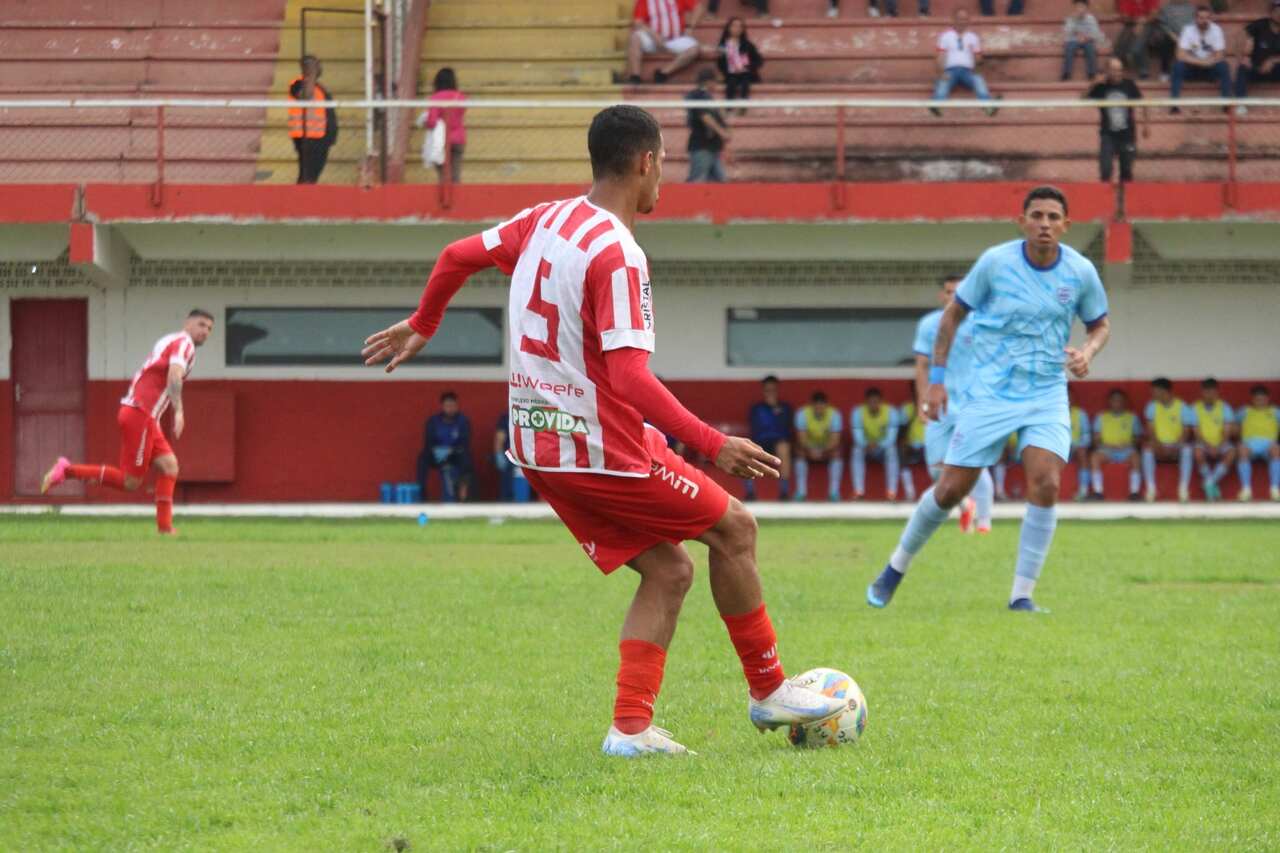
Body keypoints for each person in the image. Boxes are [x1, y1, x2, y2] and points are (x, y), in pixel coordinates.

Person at [361, 104, 846, 756]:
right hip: (597, 448)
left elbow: (455, 254)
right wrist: (713, 441)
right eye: (664, 163)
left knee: (669, 569)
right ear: (645, 162)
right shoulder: (620, 254)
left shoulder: (545, 218)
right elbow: (629, 379)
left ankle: (630, 728)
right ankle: (768, 691)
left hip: (537, 444)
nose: (663, 179)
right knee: (736, 527)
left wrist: (423, 323)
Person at [867, 186, 1111, 613]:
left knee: (1047, 482)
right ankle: (894, 569)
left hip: (1047, 392)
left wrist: (1087, 353)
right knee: (949, 489)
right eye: (1037, 215)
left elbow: (1100, 324)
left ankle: (1022, 596)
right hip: (991, 394)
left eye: (1054, 217)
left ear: (1066, 226)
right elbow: (952, 315)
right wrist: (938, 381)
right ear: (1022, 222)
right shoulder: (996, 263)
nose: (1045, 224)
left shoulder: (1080, 271)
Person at [40, 310, 215, 535]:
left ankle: (165, 528)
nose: (205, 332)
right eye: (201, 325)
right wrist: (179, 410)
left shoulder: (170, 339)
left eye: (209, 329)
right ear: (187, 323)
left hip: (144, 415)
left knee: (170, 466)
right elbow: (174, 375)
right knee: (130, 482)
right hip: (141, 413)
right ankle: (68, 470)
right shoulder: (185, 343)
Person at [906, 274, 995, 539]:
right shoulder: (929, 325)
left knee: (976, 462)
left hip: (973, 406)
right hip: (938, 405)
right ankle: (965, 505)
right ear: (941, 296)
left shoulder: (981, 324)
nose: (953, 297)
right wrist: (922, 401)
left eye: (959, 292)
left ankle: (984, 523)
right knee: (937, 466)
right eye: (949, 292)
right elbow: (921, 366)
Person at [930, 9, 999, 118]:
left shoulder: (973, 37)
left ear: (968, 21)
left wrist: (978, 65)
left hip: (967, 71)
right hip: (950, 70)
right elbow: (940, 57)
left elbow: (978, 58)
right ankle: (937, 105)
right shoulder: (946, 36)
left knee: (978, 79)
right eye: (960, 19)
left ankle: (988, 106)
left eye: (965, 19)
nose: (962, 21)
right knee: (943, 81)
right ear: (954, 20)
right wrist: (941, 72)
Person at [1086, 58, 1145, 184]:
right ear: (1107, 71)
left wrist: (1146, 125)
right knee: (1105, 170)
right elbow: (1081, 99)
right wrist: (1093, 83)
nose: (1118, 73)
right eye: (1114, 70)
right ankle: (1105, 199)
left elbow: (1144, 103)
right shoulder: (1101, 87)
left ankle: (1125, 201)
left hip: (1127, 135)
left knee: (1126, 171)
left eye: (1120, 70)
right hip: (1108, 135)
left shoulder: (1129, 85)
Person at [627, 0, 705, 84]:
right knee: (635, 37)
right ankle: (635, 76)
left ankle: (663, 73)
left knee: (695, 49)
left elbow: (699, 8)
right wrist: (654, 35)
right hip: (652, 40)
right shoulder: (645, 1)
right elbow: (638, 22)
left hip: (675, 40)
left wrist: (690, 27)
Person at [1169, 5, 1231, 111]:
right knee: (1177, 66)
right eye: (1201, 18)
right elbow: (1180, 55)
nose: (1204, 20)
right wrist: (1201, 62)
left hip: (1210, 70)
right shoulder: (1188, 30)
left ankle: (1226, 104)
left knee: (1223, 66)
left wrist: (1209, 62)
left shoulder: (1216, 30)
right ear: (1195, 19)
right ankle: (1174, 105)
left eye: (1207, 18)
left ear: (1210, 18)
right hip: (1192, 69)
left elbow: (1220, 55)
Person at [1142, 377, 1194, 501]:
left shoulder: (1183, 407)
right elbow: (1150, 431)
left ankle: (1183, 489)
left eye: (1154, 391)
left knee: (1187, 450)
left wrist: (1176, 447)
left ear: (1163, 391)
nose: (1152, 394)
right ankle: (1151, 489)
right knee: (1147, 449)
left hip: (1177, 445)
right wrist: (1158, 445)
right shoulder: (1151, 407)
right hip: (1158, 445)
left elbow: (1186, 433)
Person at [287, 55, 338, 184]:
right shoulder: (298, 84)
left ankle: (302, 199)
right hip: (309, 138)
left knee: (311, 176)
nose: (320, 68)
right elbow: (306, 96)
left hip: (321, 139)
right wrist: (311, 73)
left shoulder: (318, 87)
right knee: (308, 177)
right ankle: (300, 201)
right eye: (317, 65)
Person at [418, 391, 473, 502]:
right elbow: (428, 442)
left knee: (466, 458)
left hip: (455, 455)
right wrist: (436, 450)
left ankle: (463, 496)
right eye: (448, 406)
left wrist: (451, 451)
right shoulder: (433, 421)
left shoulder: (463, 421)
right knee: (422, 459)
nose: (450, 409)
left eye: (453, 406)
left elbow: (465, 442)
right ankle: (422, 495)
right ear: (442, 406)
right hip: (437, 455)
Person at [1089, 388, 1143, 501]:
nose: (1117, 403)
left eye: (1120, 400)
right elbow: (1095, 439)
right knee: (1094, 457)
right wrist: (1106, 445)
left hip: (1126, 450)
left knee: (1136, 457)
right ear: (1110, 402)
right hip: (1106, 450)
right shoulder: (1101, 417)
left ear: (1124, 402)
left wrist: (1128, 444)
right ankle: (1098, 492)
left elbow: (1138, 438)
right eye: (1114, 400)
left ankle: (1134, 492)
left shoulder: (1132, 417)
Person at [745, 375, 793, 501]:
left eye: (773, 390)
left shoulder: (785, 408)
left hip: (779, 443)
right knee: (747, 449)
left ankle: (784, 492)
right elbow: (757, 429)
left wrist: (775, 410)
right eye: (768, 390)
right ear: (763, 391)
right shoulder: (757, 409)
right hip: (760, 443)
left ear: (777, 391)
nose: (770, 393)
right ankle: (750, 492)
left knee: (784, 447)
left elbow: (786, 430)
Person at [1190, 377, 1236, 502]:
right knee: (1198, 453)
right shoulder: (1195, 408)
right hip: (1203, 442)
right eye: (1206, 391)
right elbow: (1196, 432)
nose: (1209, 395)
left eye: (1212, 392)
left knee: (1231, 453)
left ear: (1217, 392)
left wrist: (1219, 446)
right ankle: (1212, 485)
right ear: (1202, 392)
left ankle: (1210, 482)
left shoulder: (1225, 407)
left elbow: (1227, 432)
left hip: (1221, 442)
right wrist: (1209, 446)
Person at [793, 391, 844, 502]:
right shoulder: (803, 414)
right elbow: (801, 439)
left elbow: (835, 440)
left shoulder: (834, 415)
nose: (819, 409)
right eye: (817, 406)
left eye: (822, 406)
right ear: (812, 406)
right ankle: (801, 492)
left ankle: (834, 493)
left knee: (837, 453)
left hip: (827, 448)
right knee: (799, 452)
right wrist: (811, 450)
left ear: (826, 405)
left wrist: (822, 451)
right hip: (808, 448)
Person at [418, 67, 466, 184]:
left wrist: (424, 122)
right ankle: (457, 198)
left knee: (443, 174)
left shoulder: (435, 98)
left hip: (440, 140)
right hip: (459, 138)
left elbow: (432, 122)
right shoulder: (461, 97)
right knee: (455, 173)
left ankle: (444, 199)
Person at [851, 388, 901, 500]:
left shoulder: (891, 412)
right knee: (856, 450)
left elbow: (891, 437)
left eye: (876, 402)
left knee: (892, 450)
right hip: (866, 448)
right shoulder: (857, 413)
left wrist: (878, 445)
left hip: (883, 448)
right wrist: (866, 444)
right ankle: (859, 491)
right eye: (870, 402)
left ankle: (891, 492)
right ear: (866, 402)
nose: (873, 404)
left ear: (881, 402)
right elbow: (857, 436)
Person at [1235, 384, 1280, 501]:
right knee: (1242, 450)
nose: (1260, 401)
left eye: (1262, 398)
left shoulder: (1275, 412)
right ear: (1252, 399)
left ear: (1267, 398)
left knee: (1276, 450)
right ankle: (1246, 490)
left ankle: (1275, 490)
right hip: (1249, 444)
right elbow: (1232, 426)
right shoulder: (1244, 411)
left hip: (1269, 444)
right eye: (1257, 399)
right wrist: (1238, 439)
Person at [1233, 0, 1280, 111]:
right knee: (1242, 68)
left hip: (1275, 70)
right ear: (1271, 12)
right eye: (1277, 11)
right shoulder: (1260, 25)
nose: (1279, 15)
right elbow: (1239, 37)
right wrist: (1242, 58)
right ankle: (1241, 104)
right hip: (1256, 68)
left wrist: (1273, 60)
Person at [686, 68, 731, 182]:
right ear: (709, 82)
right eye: (715, 82)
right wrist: (722, 132)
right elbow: (704, 116)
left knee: (719, 180)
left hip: (712, 147)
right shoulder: (697, 95)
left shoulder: (706, 97)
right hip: (702, 146)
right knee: (698, 179)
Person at [717, 17, 764, 108]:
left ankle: (743, 106)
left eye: (739, 27)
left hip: (746, 73)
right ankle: (728, 107)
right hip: (730, 74)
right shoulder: (723, 45)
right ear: (728, 28)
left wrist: (747, 67)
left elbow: (759, 60)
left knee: (745, 82)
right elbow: (720, 63)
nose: (737, 29)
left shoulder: (747, 44)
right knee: (731, 83)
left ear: (743, 30)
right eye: (734, 26)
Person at [1114, 0, 1162, 79]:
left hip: (1151, 24)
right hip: (1131, 24)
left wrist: (1142, 22)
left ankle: (1143, 70)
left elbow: (1154, 14)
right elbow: (1125, 17)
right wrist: (1137, 22)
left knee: (1137, 45)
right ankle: (1143, 70)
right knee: (1121, 43)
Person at [897, 382, 927, 502]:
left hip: (929, 446)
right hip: (912, 447)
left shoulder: (929, 405)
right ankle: (910, 492)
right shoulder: (906, 408)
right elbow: (902, 431)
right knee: (901, 452)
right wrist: (905, 443)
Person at [1063, 0, 1104, 81]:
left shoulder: (1091, 19)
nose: (1080, 9)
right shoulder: (1071, 18)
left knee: (1090, 48)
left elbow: (1096, 33)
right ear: (1075, 8)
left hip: (1087, 40)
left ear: (1086, 8)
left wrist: (1086, 38)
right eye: (1078, 7)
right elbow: (1067, 31)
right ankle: (1066, 73)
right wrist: (1074, 20)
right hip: (1073, 40)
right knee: (1069, 48)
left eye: (1082, 7)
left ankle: (1092, 73)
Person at [1068, 394, 1092, 500]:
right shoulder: (1052, 414)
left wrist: (1078, 445)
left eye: (1069, 396)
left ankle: (1083, 490)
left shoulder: (1080, 414)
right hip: (1058, 447)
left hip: (1076, 447)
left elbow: (1087, 435)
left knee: (1082, 453)